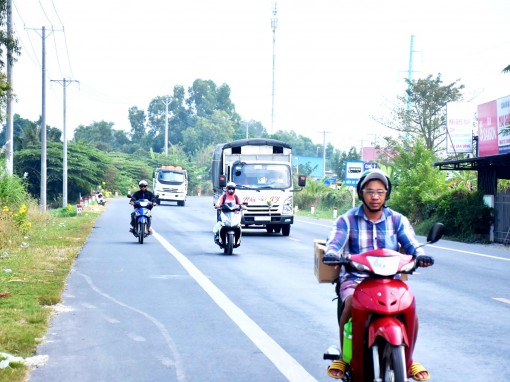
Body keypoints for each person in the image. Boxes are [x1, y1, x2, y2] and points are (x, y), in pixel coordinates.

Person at [323, 169, 434, 381]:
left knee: (411, 307)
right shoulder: (347, 220)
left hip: (390, 281)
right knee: (349, 304)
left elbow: (411, 243)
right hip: (357, 279)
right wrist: (332, 254)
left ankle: (408, 360)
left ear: (386, 194)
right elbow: (335, 242)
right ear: (361, 193)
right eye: (370, 191)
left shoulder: (397, 220)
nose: (375, 197)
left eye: (380, 192)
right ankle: (345, 358)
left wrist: (421, 255)